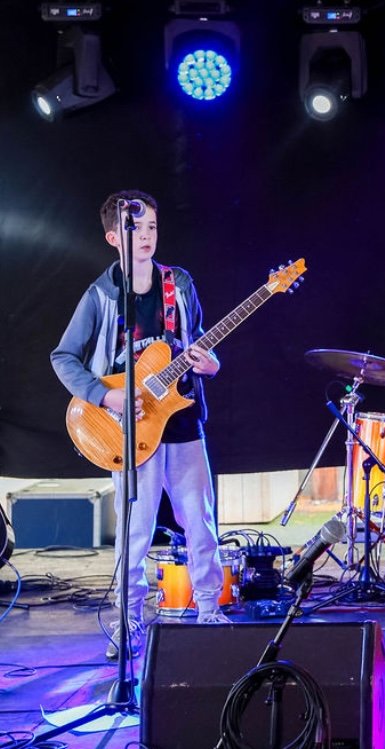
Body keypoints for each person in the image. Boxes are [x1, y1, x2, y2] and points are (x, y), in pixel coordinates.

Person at [51, 190, 230, 659]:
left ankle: (209, 609)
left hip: (183, 420)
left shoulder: (180, 284)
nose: (147, 236)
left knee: (200, 521)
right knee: (136, 531)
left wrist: (211, 364)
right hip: (129, 427)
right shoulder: (101, 295)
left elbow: (199, 342)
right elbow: (63, 357)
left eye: (152, 227)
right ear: (114, 238)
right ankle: (128, 621)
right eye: (136, 230)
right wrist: (104, 394)